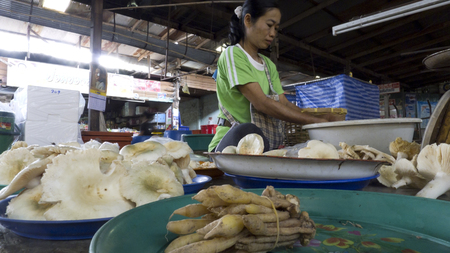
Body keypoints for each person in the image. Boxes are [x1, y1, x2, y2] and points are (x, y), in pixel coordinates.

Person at [208, 0, 340, 153]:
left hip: (261, 147)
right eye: (269, 25)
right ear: (248, 20)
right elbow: (261, 103)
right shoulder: (233, 54)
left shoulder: (268, 65)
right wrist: (316, 121)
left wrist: (323, 119)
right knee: (248, 130)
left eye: (276, 28)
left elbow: (284, 103)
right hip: (231, 146)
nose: (272, 33)